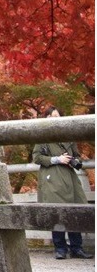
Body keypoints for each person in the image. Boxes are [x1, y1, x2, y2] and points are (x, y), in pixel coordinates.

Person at [33, 106, 93, 260]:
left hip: (70, 177)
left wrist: (74, 161)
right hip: (52, 178)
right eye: (50, 117)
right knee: (57, 213)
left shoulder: (68, 136)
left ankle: (76, 248)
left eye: (56, 116)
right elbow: (37, 158)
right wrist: (57, 159)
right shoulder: (42, 137)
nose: (54, 119)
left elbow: (77, 156)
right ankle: (60, 248)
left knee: (74, 211)